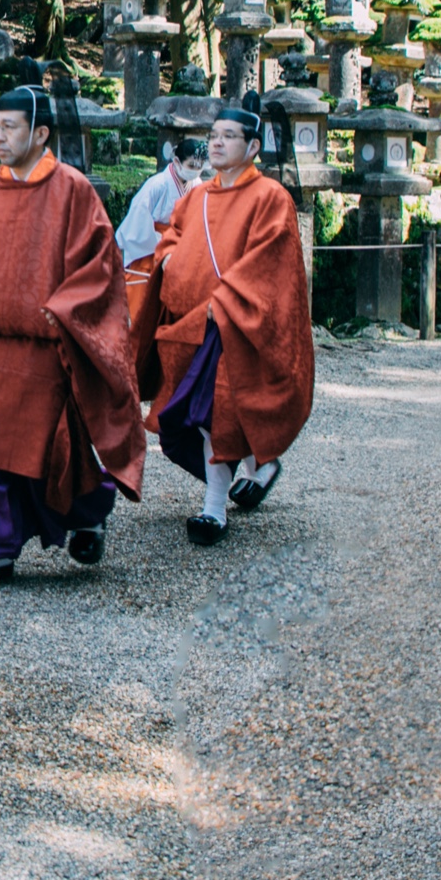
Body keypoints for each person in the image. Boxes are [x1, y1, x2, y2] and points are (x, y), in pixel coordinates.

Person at [0, 85, 145, 584]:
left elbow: (100, 264)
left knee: (48, 448)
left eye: (9, 127)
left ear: (41, 133)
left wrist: (63, 311)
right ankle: (0, 545)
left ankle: (91, 508)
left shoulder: (72, 188)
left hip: (49, 343)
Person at [131, 97, 314, 546]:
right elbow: (170, 236)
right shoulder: (196, 197)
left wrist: (230, 299)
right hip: (193, 320)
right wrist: (171, 258)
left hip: (237, 323)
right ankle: (259, 465)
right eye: (214, 135)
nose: (216, 142)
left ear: (253, 147)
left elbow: (272, 261)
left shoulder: (271, 197)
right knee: (200, 412)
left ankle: (213, 509)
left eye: (229, 136)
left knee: (216, 410)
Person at [116, 141, 205, 322]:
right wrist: (161, 245)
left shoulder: (197, 183)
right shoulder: (157, 184)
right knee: (142, 302)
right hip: (150, 245)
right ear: (177, 161)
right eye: (191, 165)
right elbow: (138, 218)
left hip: (181, 246)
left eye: (199, 166)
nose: (195, 170)